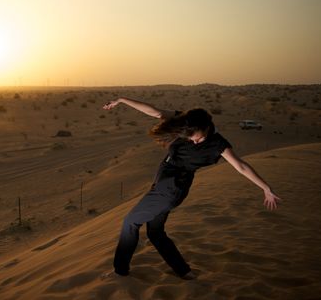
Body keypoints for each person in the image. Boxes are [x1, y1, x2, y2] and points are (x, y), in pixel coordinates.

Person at [101, 97, 281, 279]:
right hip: (164, 185)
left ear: (208, 128)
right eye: (191, 139)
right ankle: (184, 271)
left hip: (171, 188)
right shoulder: (186, 122)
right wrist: (122, 100)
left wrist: (265, 188)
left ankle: (120, 271)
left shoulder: (218, 144)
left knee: (130, 222)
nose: (195, 143)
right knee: (155, 232)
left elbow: (241, 166)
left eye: (199, 138)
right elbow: (155, 112)